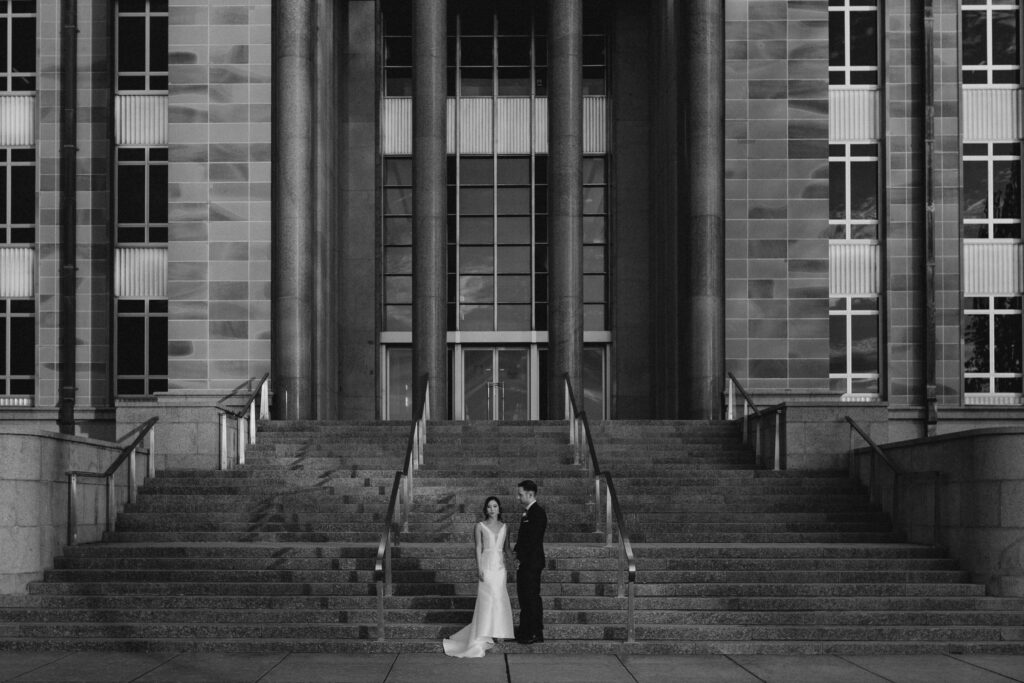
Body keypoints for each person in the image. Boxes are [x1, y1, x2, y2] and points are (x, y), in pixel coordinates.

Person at [442, 496, 515, 658]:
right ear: (485, 509)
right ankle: (484, 632)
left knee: (500, 597)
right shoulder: (479, 526)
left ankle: (500, 632)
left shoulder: (505, 527)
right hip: (487, 566)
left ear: (499, 508)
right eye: (489, 506)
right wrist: (479, 567)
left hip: (500, 568)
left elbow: (507, 548)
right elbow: (478, 547)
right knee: (487, 599)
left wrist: (515, 563)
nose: (492, 509)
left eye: (495, 506)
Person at [513, 479, 547, 644]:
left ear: (530, 494)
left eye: (520, 494)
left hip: (531, 563)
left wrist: (521, 559)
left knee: (531, 597)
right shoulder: (528, 512)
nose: (518, 498)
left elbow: (532, 541)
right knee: (525, 597)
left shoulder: (537, 513)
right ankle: (526, 630)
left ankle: (534, 632)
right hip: (527, 562)